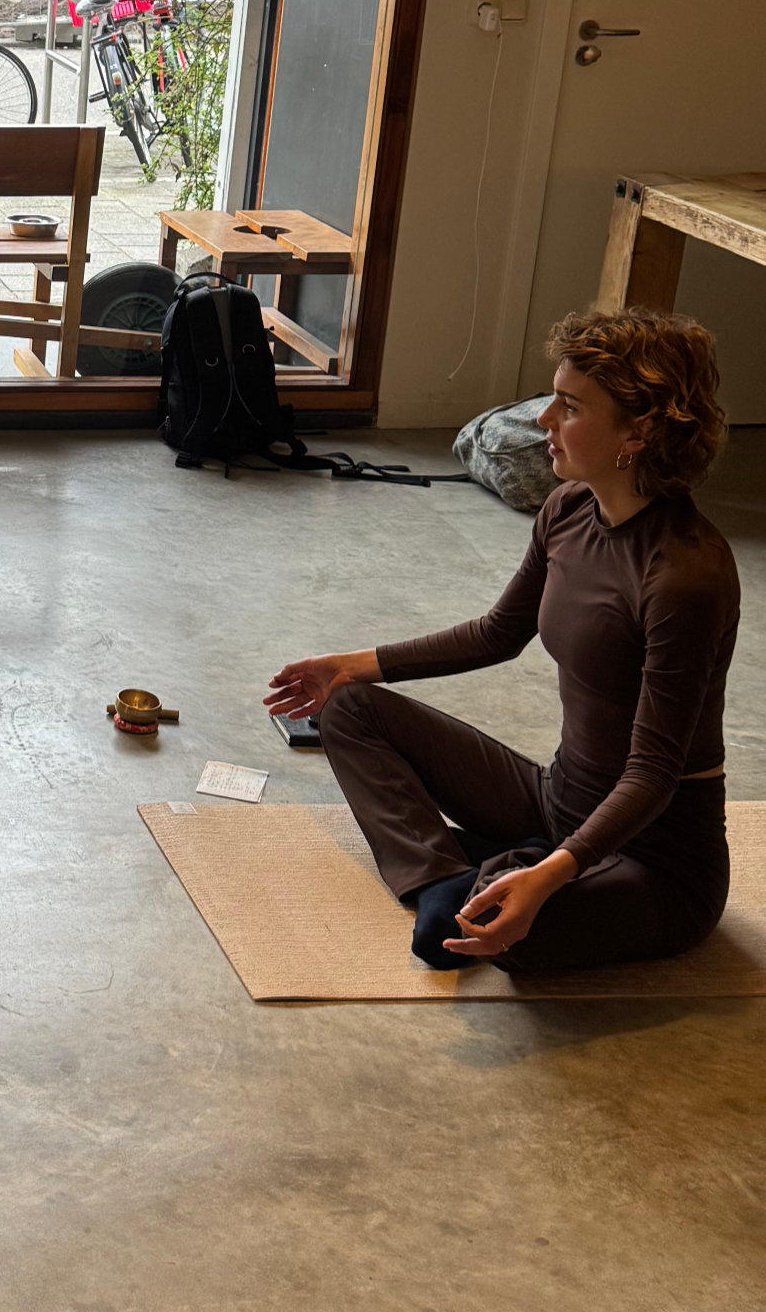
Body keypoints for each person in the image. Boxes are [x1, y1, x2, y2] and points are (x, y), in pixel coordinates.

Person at [265, 308, 737, 972]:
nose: (544, 419)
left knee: (507, 935)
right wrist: (348, 666)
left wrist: (553, 872)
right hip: (557, 799)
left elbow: (654, 773)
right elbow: (497, 633)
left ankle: (502, 874)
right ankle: (454, 878)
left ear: (639, 431)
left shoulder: (686, 576)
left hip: (655, 857)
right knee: (349, 707)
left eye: (570, 407)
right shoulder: (568, 509)